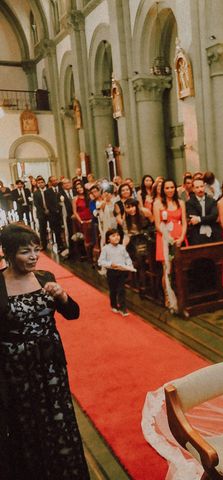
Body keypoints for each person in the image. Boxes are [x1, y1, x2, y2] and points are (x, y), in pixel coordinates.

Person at [0, 223, 89, 479]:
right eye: (25, 252)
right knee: (28, 423)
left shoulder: (45, 277)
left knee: (59, 418)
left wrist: (62, 295)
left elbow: (73, 314)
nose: (33, 257)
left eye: (36, 250)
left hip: (50, 365)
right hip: (17, 371)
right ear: (7, 252)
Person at [153, 178, 187, 311]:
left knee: (180, 268)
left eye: (172, 187)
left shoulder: (181, 202)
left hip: (179, 237)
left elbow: (184, 222)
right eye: (167, 188)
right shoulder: (158, 204)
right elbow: (157, 224)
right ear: (163, 190)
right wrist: (169, 238)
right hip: (164, 238)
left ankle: (181, 294)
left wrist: (181, 237)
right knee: (168, 269)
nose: (170, 190)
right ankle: (168, 295)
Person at [98, 228, 134, 316]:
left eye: (117, 235)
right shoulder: (106, 249)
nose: (116, 237)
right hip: (111, 272)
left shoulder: (122, 248)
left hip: (121, 271)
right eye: (113, 236)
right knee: (113, 290)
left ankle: (123, 308)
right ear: (108, 239)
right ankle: (114, 305)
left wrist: (129, 265)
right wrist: (110, 264)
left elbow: (127, 257)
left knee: (121, 289)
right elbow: (100, 261)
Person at [185, 177, 222, 245]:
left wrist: (199, 219)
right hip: (197, 235)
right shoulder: (190, 203)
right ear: (193, 189)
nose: (200, 189)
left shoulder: (212, 201)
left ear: (204, 187)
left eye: (201, 186)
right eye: (197, 187)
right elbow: (193, 220)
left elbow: (214, 216)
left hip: (213, 234)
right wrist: (208, 218)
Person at [71, 181, 94, 260]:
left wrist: (92, 218)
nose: (79, 189)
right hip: (82, 220)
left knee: (92, 237)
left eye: (80, 187)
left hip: (91, 218)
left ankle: (92, 255)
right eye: (77, 188)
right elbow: (75, 211)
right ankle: (87, 256)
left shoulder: (89, 196)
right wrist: (80, 221)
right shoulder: (75, 199)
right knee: (85, 238)